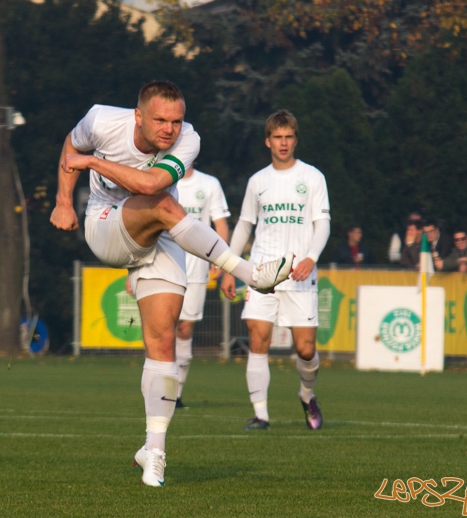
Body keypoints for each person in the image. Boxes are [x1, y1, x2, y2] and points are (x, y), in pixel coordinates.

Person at [49, 81, 294, 487]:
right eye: (160, 119)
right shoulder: (101, 119)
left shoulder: (188, 139)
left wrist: (90, 163)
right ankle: (251, 273)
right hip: (105, 225)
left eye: (176, 120)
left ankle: (154, 452)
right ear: (138, 116)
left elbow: (146, 184)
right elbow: (70, 146)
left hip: (159, 236)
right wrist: (62, 200)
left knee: (163, 344)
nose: (169, 129)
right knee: (166, 205)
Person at [220, 110, 331, 432]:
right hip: (262, 271)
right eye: (277, 137)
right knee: (258, 338)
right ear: (268, 141)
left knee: (306, 349)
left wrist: (311, 257)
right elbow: (244, 225)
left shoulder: (312, 177)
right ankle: (261, 414)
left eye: (289, 137)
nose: (283, 143)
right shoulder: (258, 181)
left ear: (295, 140)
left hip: (300, 273)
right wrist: (229, 267)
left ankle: (307, 395)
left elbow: (322, 224)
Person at [174, 165, 230, 408]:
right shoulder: (159, 177)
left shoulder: (209, 184)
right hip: (162, 263)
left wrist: (222, 259)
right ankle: (158, 392)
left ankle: (174, 395)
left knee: (184, 330)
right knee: (162, 331)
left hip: (195, 270)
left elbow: (221, 226)